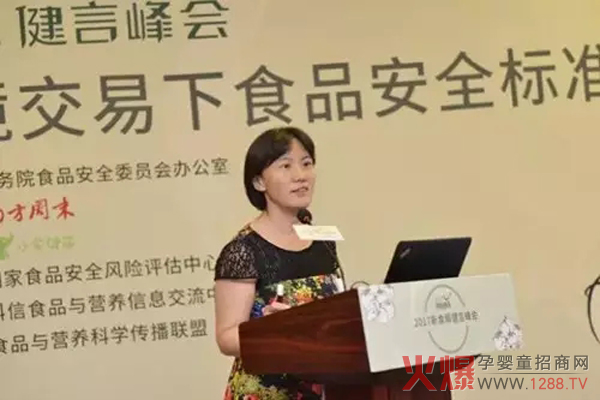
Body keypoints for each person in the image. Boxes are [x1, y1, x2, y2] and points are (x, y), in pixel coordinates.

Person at [213, 126, 344, 400]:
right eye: (286, 166)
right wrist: (270, 331)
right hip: (266, 391)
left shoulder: (322, 242)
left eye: (306, 164)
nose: (300, 175)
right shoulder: (243, 250)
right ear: (259, 182)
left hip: (322, 386)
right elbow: (226, 337)